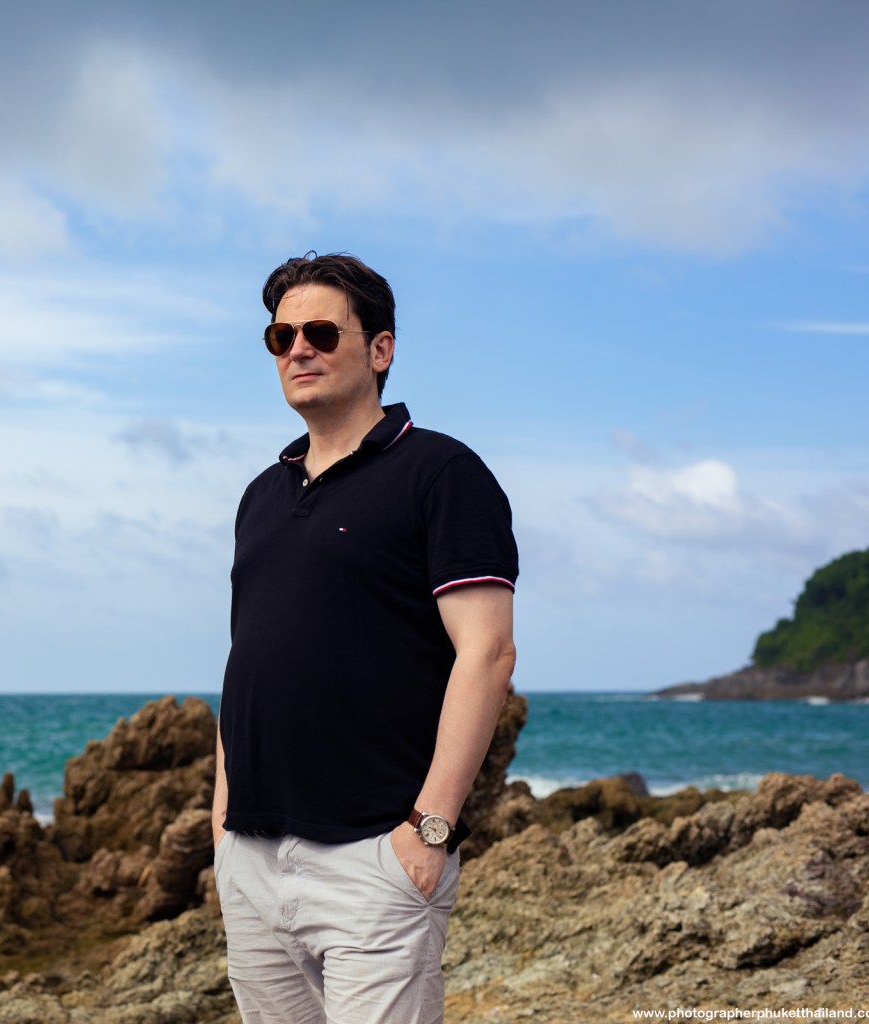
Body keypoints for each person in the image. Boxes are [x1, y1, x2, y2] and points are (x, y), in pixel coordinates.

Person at [213, 252, 518, 1024]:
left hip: (373, 861)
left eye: (319, 331)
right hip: (251, 857)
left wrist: (430, 832)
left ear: (380, 350)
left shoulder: (442, 473)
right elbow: (245, 658)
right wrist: (221, 830)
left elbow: (487, 652)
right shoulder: (262, 494)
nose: (298, 350)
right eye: (280, 337)